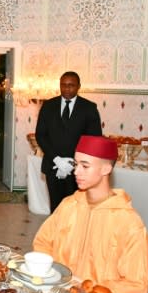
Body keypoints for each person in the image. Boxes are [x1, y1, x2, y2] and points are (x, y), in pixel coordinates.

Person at [33, 135, 148, 293]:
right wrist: (55, 274)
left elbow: (136, 285)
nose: (76, 171)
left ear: (106, 169)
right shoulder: (69, 205)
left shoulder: (128, 222)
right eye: (76, 164)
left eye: (85, 166)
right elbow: (43, 242)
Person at [35, 71, 102, 213]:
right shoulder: (48, 106)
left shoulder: (89, 108)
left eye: (71, 85)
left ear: (79, 86)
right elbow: (40, 135)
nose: (66, 88)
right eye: (63, 85)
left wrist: (74, 162)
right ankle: (56, 234)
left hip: (79, 169)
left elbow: (94, 139)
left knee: (77, 207)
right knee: (56, 207)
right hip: (53, 166)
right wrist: (57, 159)